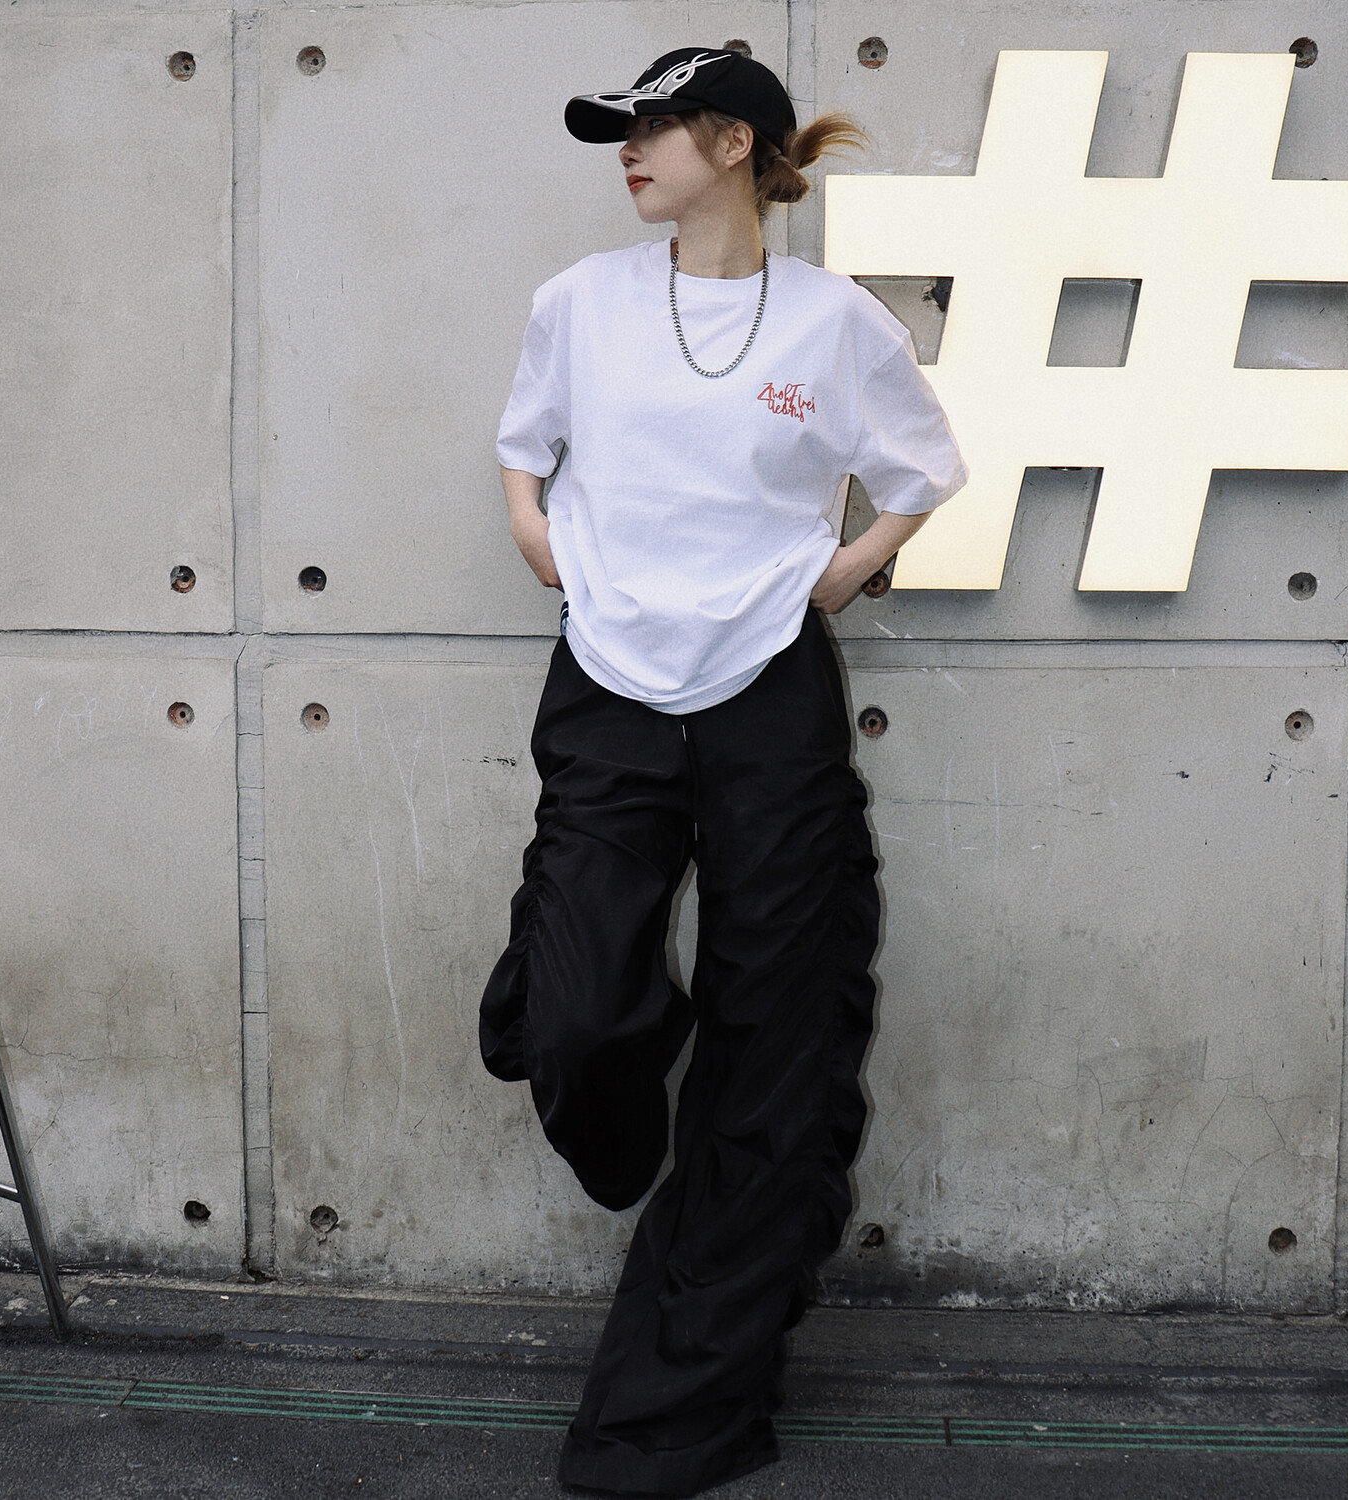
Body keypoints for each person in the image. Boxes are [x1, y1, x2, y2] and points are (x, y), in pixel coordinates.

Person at [479, 45, 968, 1497]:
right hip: (611, 685)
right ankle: (606, 1074)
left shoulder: (833, 322)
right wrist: (544, 544)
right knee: (575, 1005)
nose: (627, 154)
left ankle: (684, 1407)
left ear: (737, 144)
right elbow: (522, 450)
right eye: (619, 135)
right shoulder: (579, 302)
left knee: (780, 1037)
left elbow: (924, 470)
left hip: (769, 693)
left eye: (651, 131)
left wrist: (842, 575)